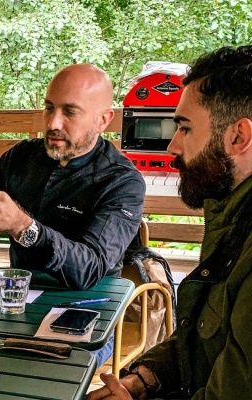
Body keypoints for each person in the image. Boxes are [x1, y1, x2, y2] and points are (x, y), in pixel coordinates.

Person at [88, 45, 252, 399]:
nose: (171, 147)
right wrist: (144, 378)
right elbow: (203, 335)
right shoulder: (232, 215)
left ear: (239, 137)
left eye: (185, 128)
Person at [0, 64, 146, 290]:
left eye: (70, 112)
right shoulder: (20, 157)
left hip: (92, 304)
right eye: (49, 107)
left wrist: (23, 227)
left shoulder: (122, 181)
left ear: (103, 120)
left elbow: (89, 270)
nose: (53, 123)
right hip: (17, 294)